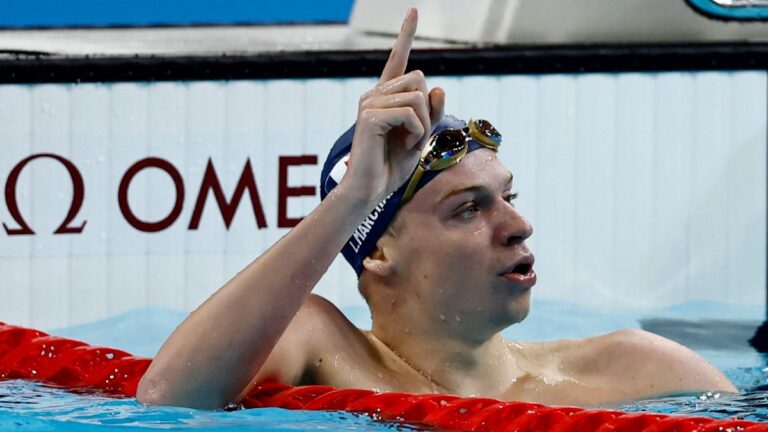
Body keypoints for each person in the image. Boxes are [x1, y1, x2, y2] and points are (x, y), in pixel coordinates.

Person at [136, 8, 737, 409]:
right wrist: (354, 198)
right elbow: (168, 399)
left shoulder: (632, 369)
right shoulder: (323, 345)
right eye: (468, 210)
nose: (519, 226)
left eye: (509, 197)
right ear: (379, 252)